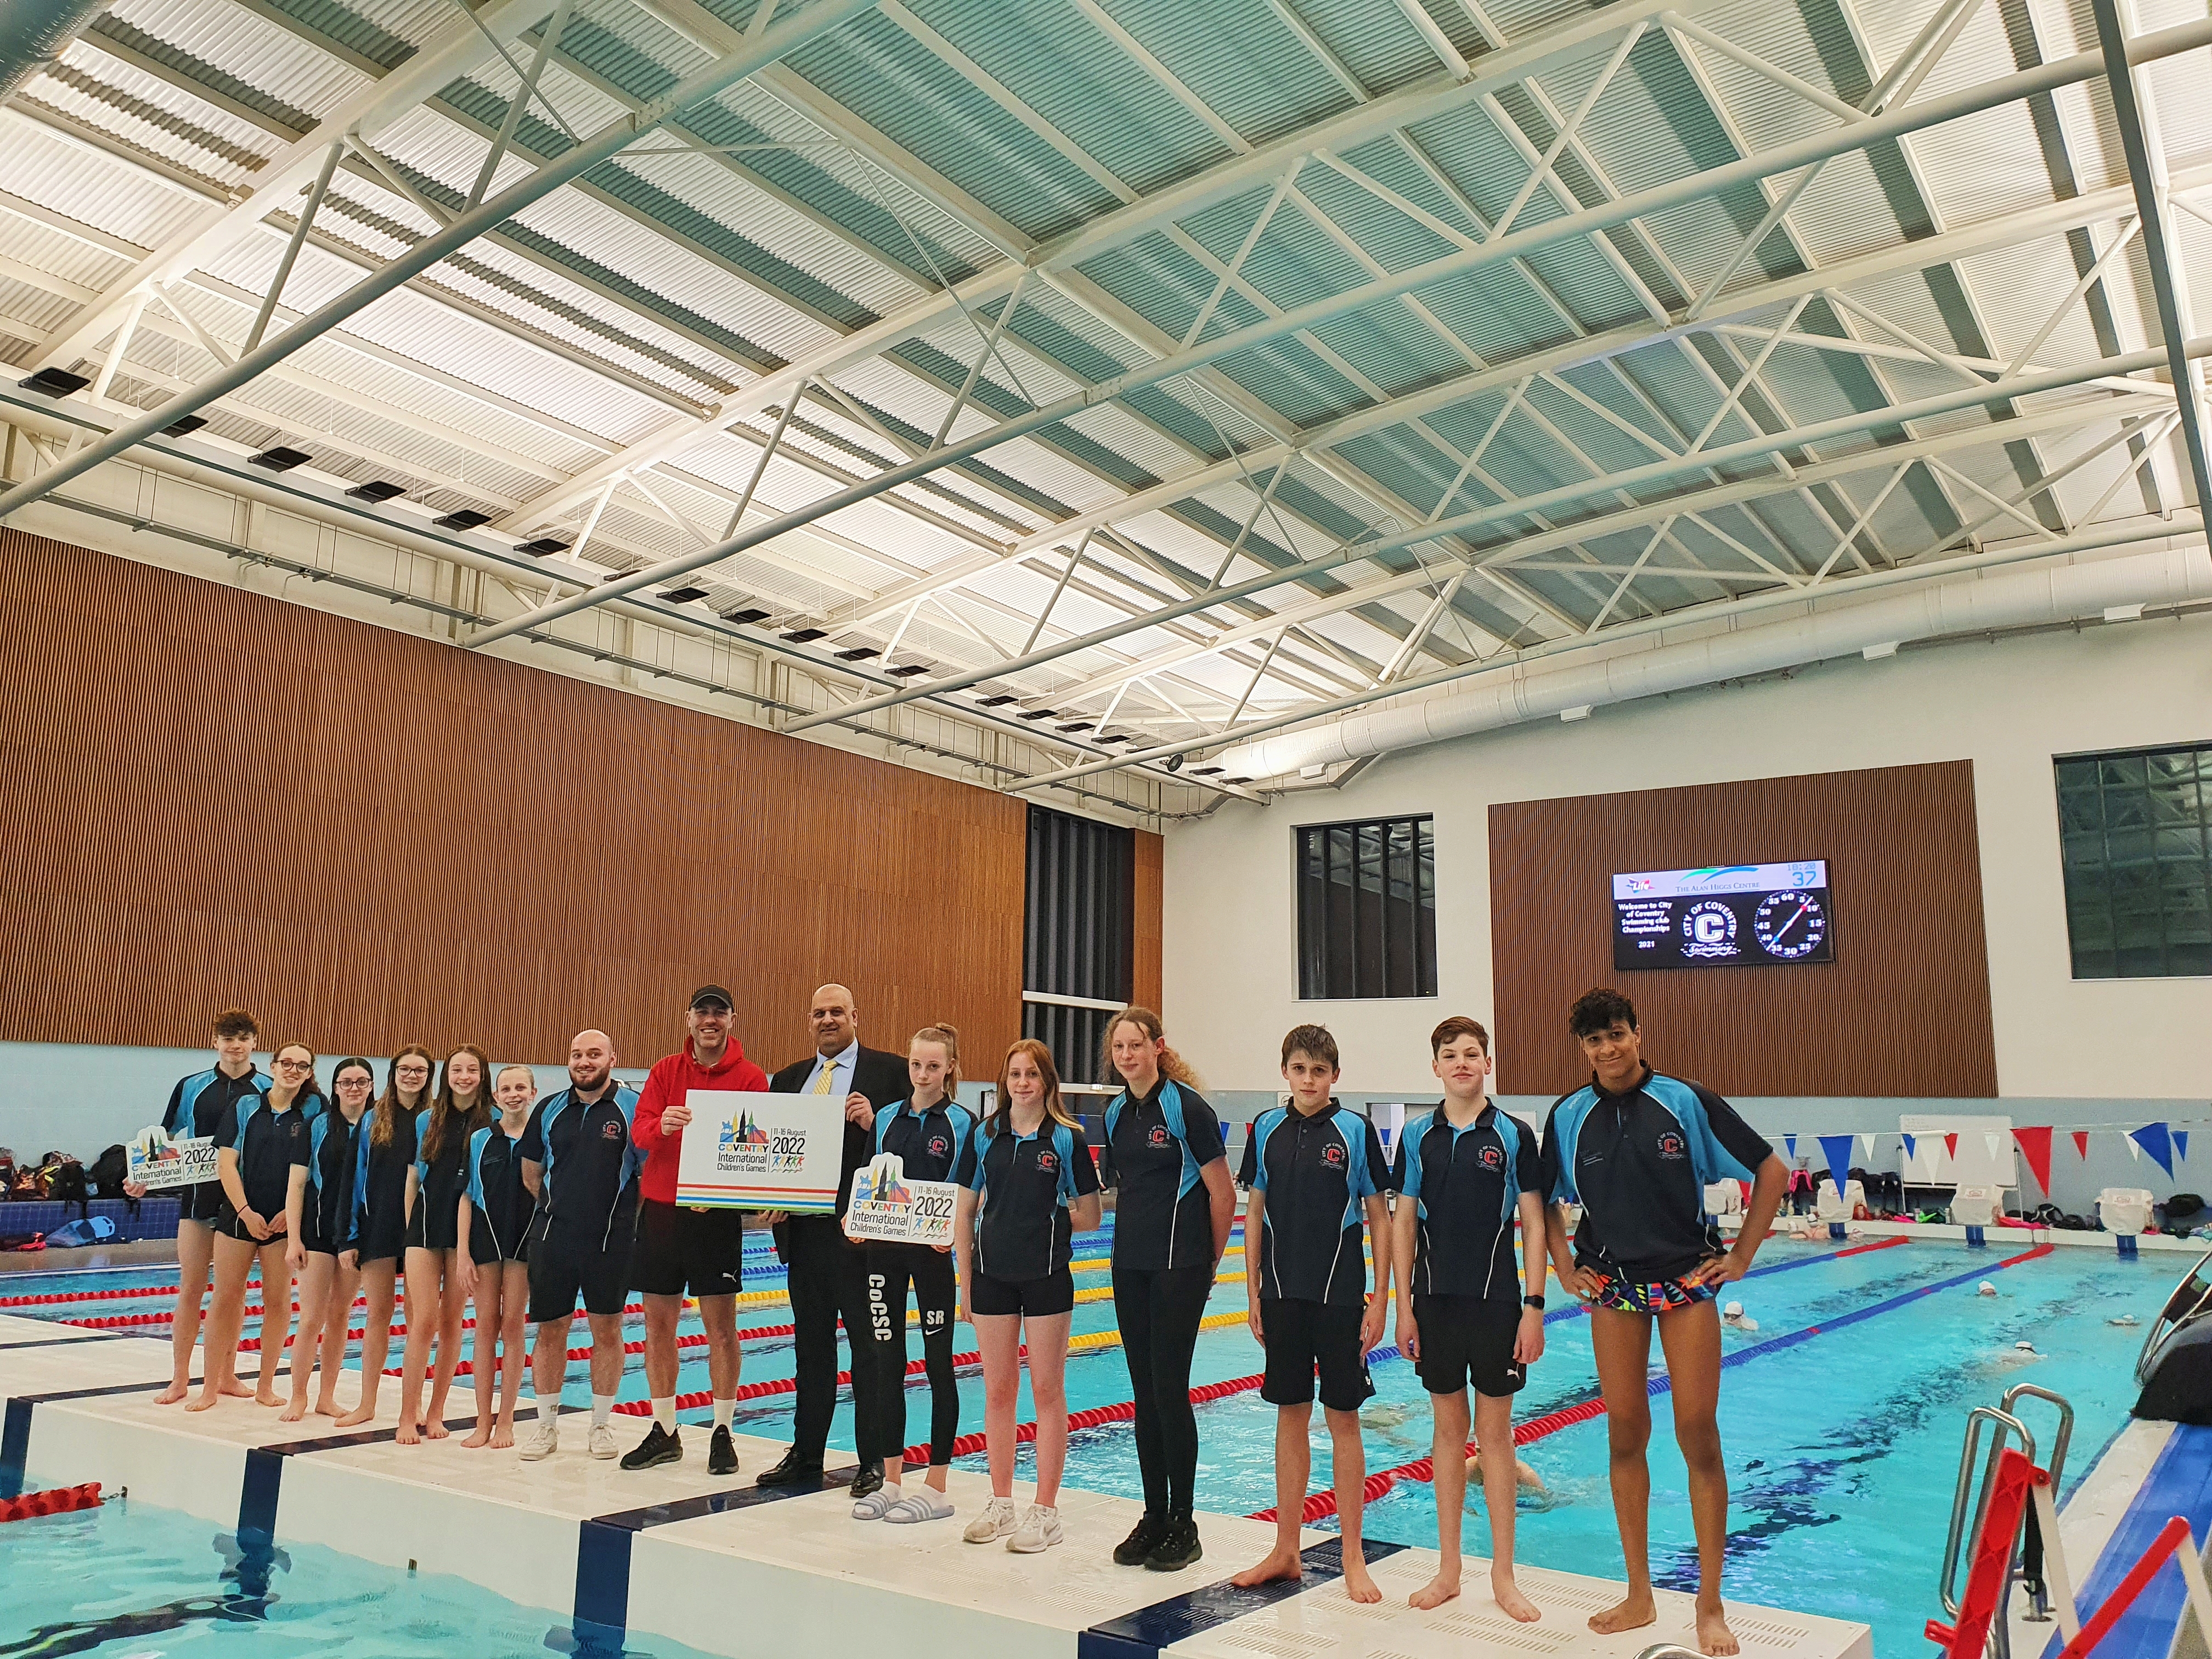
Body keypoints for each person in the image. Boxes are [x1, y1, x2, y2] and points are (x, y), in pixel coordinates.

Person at [1539, 988, 1787, 1658]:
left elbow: (1773, 1169)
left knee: (1697, 1433)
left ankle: (1710, 1603)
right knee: (1625, 1433)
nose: (1609, 1050)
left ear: (1638, 1032)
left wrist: (1740, 1256)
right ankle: (1640, 1593)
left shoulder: (1684, 1100)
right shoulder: (1569, 1114)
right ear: (1583, 1050)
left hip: (1684, 1280)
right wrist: (1565, 1269)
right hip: (1613, 1285)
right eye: (1595, 1042)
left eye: (1617, 1035)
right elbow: (1535, 1198)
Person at [1391, 1015, 1547, 1618]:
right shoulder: (1415, 1136)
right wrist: (1404, 1306)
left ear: (1487, 1064)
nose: (1462, 1062)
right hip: (1434, 1304)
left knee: (1497, 1438)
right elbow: (1405, 1221)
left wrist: (1534, 1308)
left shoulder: (1511, 1135)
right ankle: (1449, 1569)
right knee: (1448, 1435)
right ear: (1435, 1067)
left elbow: (1532, 1223)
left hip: (1498, 1304)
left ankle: (1505, 1576)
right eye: (1451, 1054)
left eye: (1472, 1053)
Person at [1233, 1025, 1393, 1603]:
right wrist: (1251, 1293)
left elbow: (1378, 1215)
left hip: (1341, 1296)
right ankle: (1286, 1549)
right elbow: (1253, 1212)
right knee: (1289, 1417)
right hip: (1282, 1295)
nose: (1309, 1080)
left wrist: (1381, 1297)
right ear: (1285, 1073)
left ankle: (1353, 1555)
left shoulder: (1354, 1131)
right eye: (1300, 1070)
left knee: (1344, 1419)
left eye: (1319, 1071)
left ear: (1335, 1077)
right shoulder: (1267, 1130)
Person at [756, 985, 907, 1495]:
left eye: (836, 1012)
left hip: (863, 1241)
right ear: (810, 1019)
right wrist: (769, 1197)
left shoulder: (890, 1074)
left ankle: (873, 1461)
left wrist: (874, 1125)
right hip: (803, 1236)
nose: (827, 1020)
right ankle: (806, 1454)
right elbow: (775, 1154)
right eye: (818, 1012)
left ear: (855, 1016)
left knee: (870, 1353)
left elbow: (912, 1152)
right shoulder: (789, 1080)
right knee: (810, 1351)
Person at [1098, 1007, 1234, 1572]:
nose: (1128, 1055)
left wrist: (1207, 1266)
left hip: (1180, 1267)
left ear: (1158, 1047)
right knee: (1144, 1395)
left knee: (1171, 1391)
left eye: (1137, 1045)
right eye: (1120, 1047)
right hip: (1130, 1266)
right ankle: (1154, 1515)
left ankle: (1185, 1521)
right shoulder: (1113, 1114)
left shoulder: (1186, 1109)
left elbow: (1221, 1195)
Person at [955, 1039, 1101, 1553]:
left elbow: (1091, 1213)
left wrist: (1049, 1226)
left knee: (1046, 1390)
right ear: (1004, 1081)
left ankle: (1046, 1510)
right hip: (992, 1276)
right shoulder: (985, 1135)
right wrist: (965, 1284)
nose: (1022, 1083)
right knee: (997, 1391)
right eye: (1014, 1074)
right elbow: (965, 1211)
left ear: (1047, 1083)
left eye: (1031, 1075)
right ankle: (1001, 1503)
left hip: (1046, 1278)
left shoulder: (1065, 1138)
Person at [626, 986, 769, 1475]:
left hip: (716, 1218)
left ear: (732, 1019)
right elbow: (639, 1131)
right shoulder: (666, 1071)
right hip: (664, 1213)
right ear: (688, 1019)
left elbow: (760, 1152)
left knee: (722, 1331)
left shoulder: (751, 1079)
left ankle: (723, 1431)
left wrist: (752, 1198)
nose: (710, 1020)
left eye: (719, 1013)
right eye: (702, 1012)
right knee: (658, 1326)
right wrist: (662, 1124)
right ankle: (664, 1429)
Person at [848, 1023, 976, 1525]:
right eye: (916, 1065)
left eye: (933, 1066)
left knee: (939, 1365)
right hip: (883, 1253)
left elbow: (969, 1192)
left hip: (931, 1259)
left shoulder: (963, 1123)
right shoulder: (884, 1118)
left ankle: (937, 1483)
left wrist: (954, 1231)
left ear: (949, 1069)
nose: (922, 1075)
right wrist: (854, 1218)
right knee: (885, 1363)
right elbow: (867, 1176)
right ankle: (892, 1479)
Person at [132, 1008, 270, 1407]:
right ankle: (179, 1378)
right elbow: (165, 1135)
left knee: (233, 1292)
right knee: (191, 1288)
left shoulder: (266, 1087)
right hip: (198, 1194)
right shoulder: (191, 1085)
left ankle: (226, 1375)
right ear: (216, 1043)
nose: (235, 1045)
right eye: (228, 1039)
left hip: (244, 1197)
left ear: (254, 1043)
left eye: (243, 1038)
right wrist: (143, 1175)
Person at [518, 1030, 642, 1462]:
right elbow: (532, 1174)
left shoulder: (632, 1107)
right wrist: (558, 1211)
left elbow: (645, 1174)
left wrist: (623, 1220)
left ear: (613, 1058)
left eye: (594, 1054)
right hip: (553, 1238)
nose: (585, 1061)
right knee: (550, 1331)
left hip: (611, 1240)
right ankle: (546, 1426)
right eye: (577, 1055)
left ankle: (601, 1425)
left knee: (607, 1331)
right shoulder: (550, 1109)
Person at [190, 1040, 313, 1412]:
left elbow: (314, 1171)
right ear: (273, 1067)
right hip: (239, 1216)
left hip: (285, 1220)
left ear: (309, 1074)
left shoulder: (312, 1111)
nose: (293, 1070)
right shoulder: (245, 1106)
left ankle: (264, 1386)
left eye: (302, 1066)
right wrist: (244, 1211)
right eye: (286, 1063)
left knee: (278, 1302)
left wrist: (289, 1220)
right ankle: (210, 1387)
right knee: (225, 1299)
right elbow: (225, 1164)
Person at [397, 1044, 490, 1444]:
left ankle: (436, 1412)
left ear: (482, 1075)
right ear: (446, 1075)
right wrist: (409, 1230)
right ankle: (407, 1414)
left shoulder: (494, 1121)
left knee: (452, 1322)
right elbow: (412, 1179)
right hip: (426, 1220)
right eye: (457, 1069)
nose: (464, 1076)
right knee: (424, 1321)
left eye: (472, 1069)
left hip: (466, 1227)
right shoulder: (426, 1119)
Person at [335, 1043, 432, 1428]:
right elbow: (352, 1180)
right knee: (379, 1314)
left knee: (418, 1318)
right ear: (393, 1074)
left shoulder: (433, 1119)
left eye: (420, 1071)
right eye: (405, 1069)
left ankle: (415, 1404)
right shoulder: (374, 1119)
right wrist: (349, 1237)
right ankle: (367, 1403)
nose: (412, 1076)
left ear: (428, 1076)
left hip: (419, 1230)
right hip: (378, 1227)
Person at [282, 1056, 373, 1421]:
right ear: (335, 1088)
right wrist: (293, 1239)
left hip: (356, 1235)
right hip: (317, 1232)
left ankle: (327, 1396)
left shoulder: (379, 1127)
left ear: (371, 1086)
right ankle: (299, 1397)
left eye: (361, 1082)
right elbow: (297, 1185)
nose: (354, 1088)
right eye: (346, 1082)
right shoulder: (315, 1126)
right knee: (311, 1317)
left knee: (340, 1315)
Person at [459, 1064, 537, 1449]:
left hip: (523, 1244)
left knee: (513, 1326)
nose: (513, 1094)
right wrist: (462, 1254)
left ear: (533, 1093)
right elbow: (467, 1197)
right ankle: (482, 1421)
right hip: (486, 1241)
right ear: (495, 1098)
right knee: (485, 1326)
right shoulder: (479, 1140)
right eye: (506, 1088)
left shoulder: (542, 1140)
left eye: (521, 1087)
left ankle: (506, 1420)